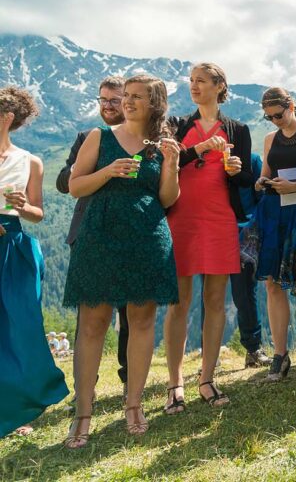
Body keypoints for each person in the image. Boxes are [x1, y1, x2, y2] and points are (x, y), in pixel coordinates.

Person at [62, 74, 180, 447]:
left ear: (154, 104)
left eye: (136, 97)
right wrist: (108, 171)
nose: (127, 102)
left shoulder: (161, 146)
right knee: (93, 322)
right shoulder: (100, 138)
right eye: (125, 96)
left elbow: (166, 199)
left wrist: (172, 165)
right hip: (99, 236)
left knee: (142, 320)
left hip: (147, 237)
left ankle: (134, 406)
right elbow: (74, 186)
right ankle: (83, 414)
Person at [164, 63, 252, 411]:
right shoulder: (178, 126)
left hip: (219, 219)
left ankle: (207, 379)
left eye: (201, 81)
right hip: (181, 219)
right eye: (191, 81)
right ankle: (175, 384)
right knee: (179, 303)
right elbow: (166, 164)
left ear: (219, 86)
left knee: (215, 301)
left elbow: (243, 179)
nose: (193, 86)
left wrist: (236, 170)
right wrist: (200, 149)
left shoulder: (238, 129)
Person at [0, 86, 68, 438]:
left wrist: (22, 205)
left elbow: (37, 214)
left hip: (13, 248)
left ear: (8, 118)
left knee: (21, 329)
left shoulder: (31, 162)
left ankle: (17, 409)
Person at [56, 76, 132, 387]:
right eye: (103, 100)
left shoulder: (140, 140)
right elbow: (64, 182)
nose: (108, 106)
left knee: (131, 312)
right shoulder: (87, 136)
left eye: (114, 100)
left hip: (130, 234)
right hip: (88, 234)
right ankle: (84, 387)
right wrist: (87, 168)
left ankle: (130, 378)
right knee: (88, 317)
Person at [252, 88, 296, 382]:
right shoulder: (270, 139)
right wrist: (261, 182)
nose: (274, 121)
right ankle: (279, 355)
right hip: (275, 212)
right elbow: (266, 172)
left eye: (278, 115)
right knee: (272, 285)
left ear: (291, 106)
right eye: (269, 117)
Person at [232, 150, 271, 369]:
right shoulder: (206, 159)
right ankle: (210, 354)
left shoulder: (251, 159)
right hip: (216, 231)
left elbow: (261, 197)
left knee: (244, 293)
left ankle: (253, 348)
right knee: (211, 296)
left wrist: (252, 230)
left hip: (244, 236)